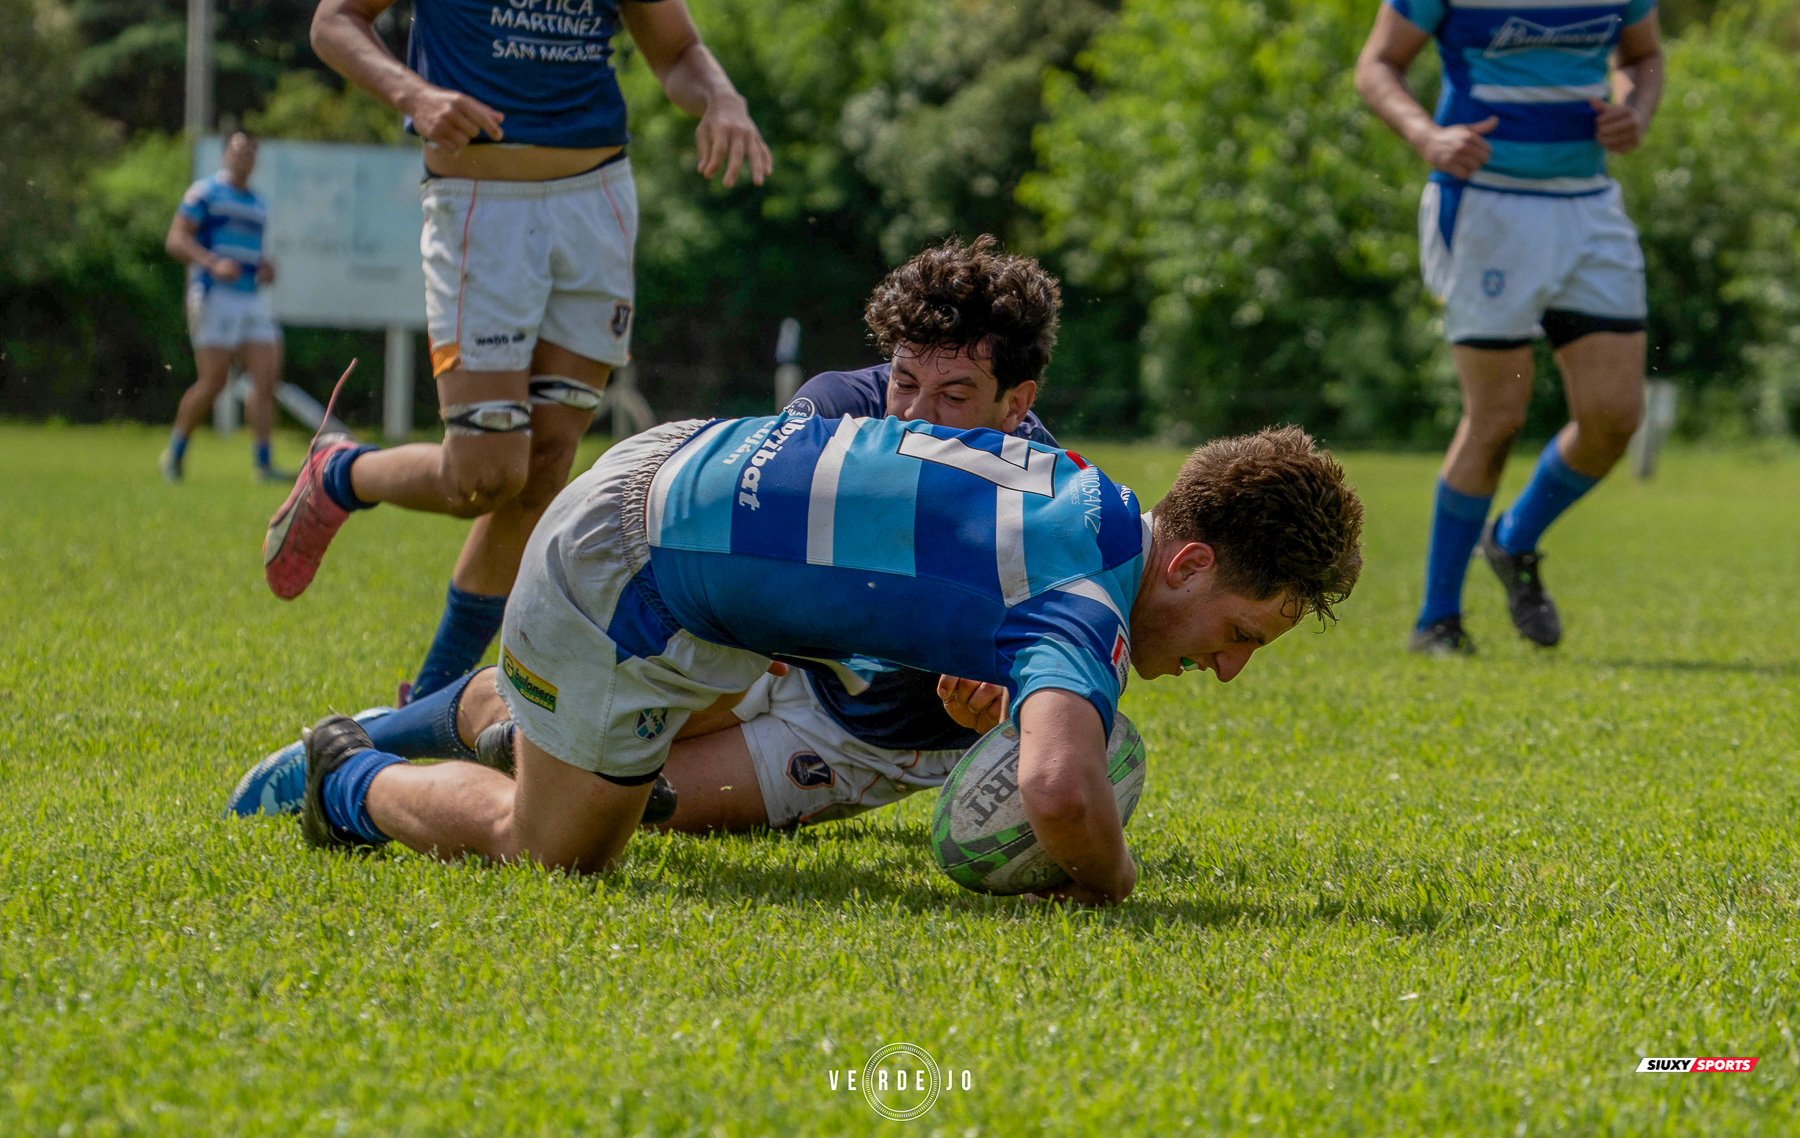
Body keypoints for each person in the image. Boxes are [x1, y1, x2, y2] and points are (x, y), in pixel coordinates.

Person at [240, 408, 1363, 907]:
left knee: (624, 769)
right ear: (1189, 563)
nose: (1227, 668)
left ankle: (508, 720)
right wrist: (1110, 879)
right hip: (635, 574)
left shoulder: (1085, 496)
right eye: (1241, 635)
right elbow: (1061, 789)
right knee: (555, 854)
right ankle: (347, 776)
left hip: (679, 485)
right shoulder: (1085, 596)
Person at [231, 237, 1069, 832]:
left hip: (857, 738)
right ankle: (363, 745)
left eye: (955, 395)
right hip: (750, 653)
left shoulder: (1048, 499)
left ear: (1017, 403)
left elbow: (1054, 659)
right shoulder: (833, 410)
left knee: (630, 806)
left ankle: (399, 758)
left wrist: (996, 691)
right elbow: (768, 579)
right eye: (905, 381)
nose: (917, 416)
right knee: (569, 777)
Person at [267, 0, 771, 709]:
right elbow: (334, 21)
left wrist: (722, 98)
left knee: (543, 469)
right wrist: (414, 94)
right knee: (484, 474)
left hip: (596, 201)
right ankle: (341, 474)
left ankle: (431, 701)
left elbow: (678, 51)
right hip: (479, 203)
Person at [1355, 0, 1664, 655]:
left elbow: (1643, 56)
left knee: (1615, 418)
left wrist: (1636, 110)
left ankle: (1513, 538)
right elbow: (1377, 64)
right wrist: (1426, 136)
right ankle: (1437, 621)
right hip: (1484, 205)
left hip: (1588, 207)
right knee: (1496, 419)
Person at [162, 132, 286, 484]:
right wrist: (212, 262)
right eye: (238, 151)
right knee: (214, 382)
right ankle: (175, 453)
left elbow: (249, 252)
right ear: (225, 156)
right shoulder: (205, 193)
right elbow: (176, 239)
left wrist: (265, 267)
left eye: (250, 152)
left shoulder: (258, 203)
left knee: (265, 379)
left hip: (250, 299)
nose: (244, 157)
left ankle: (263, 465)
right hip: (213, 295)